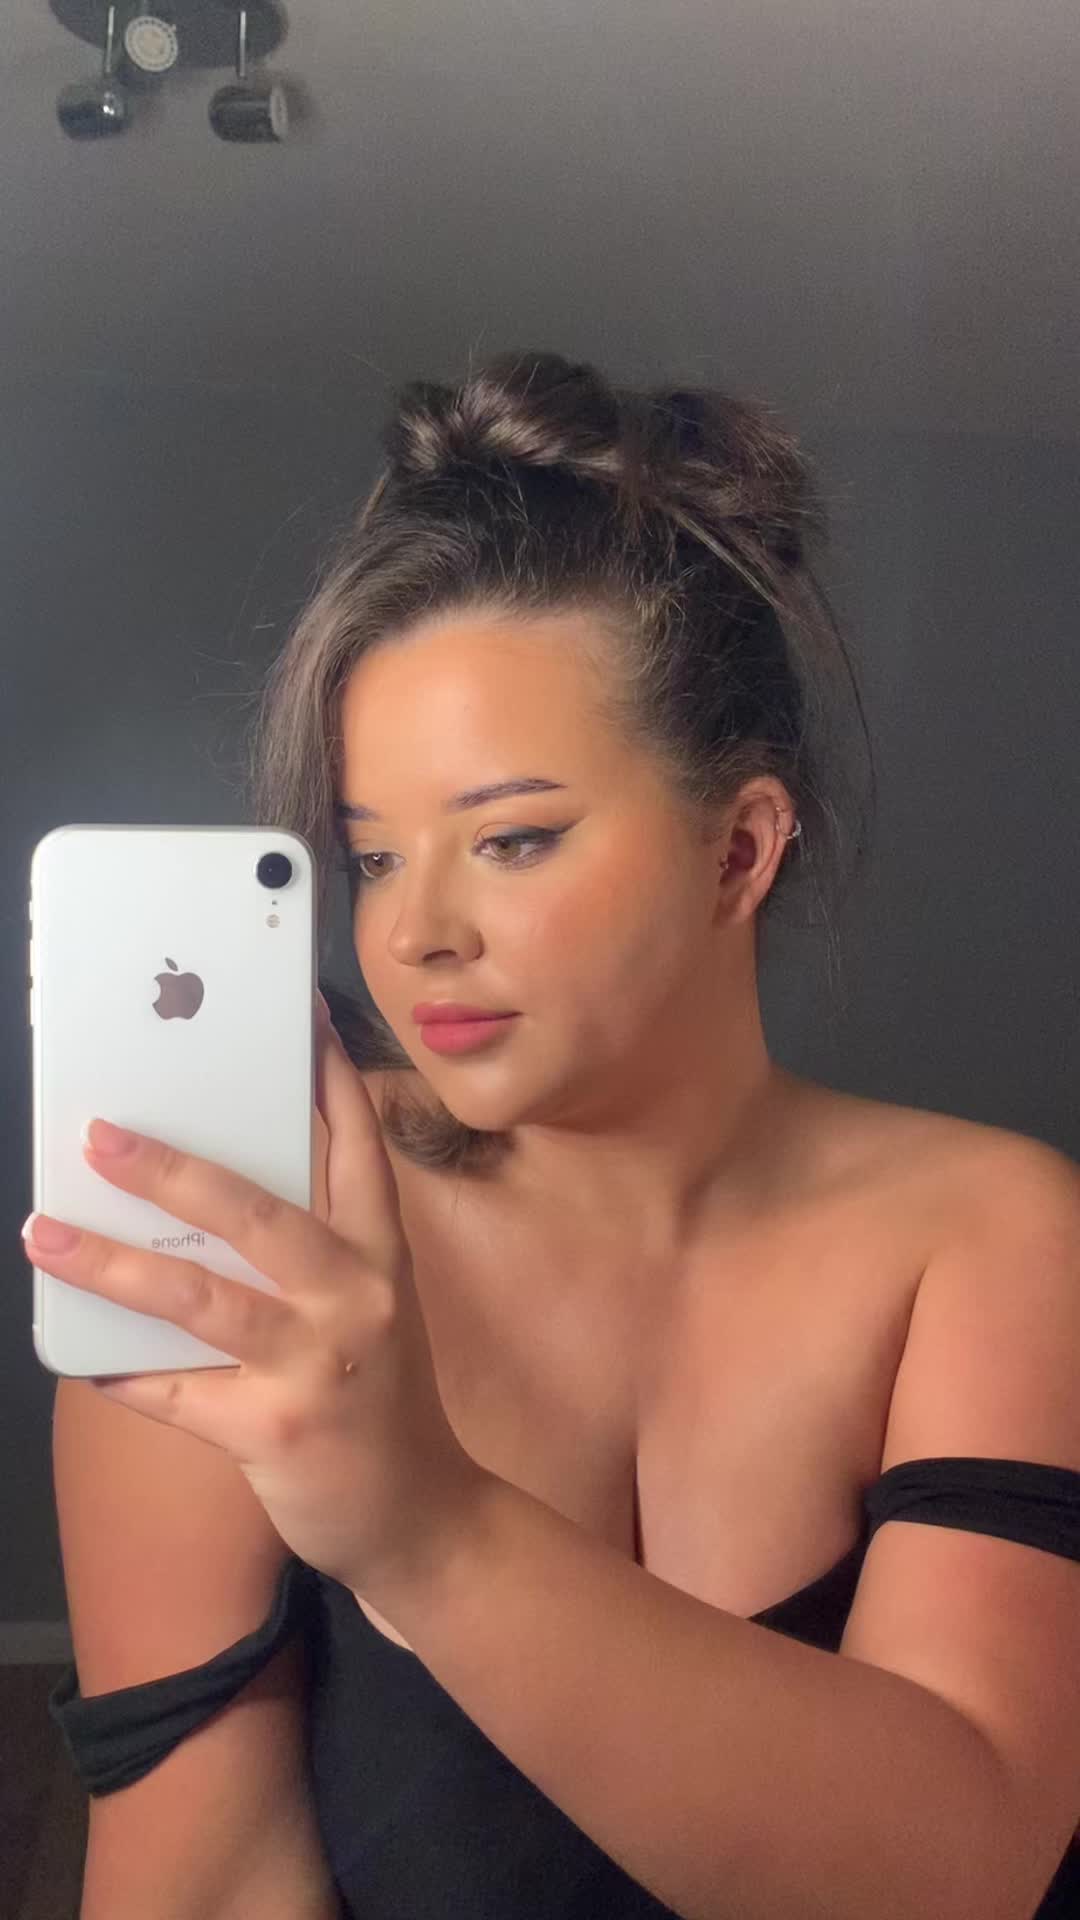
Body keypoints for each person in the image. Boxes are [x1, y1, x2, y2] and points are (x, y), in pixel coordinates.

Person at [49, 349, 1080, 1918]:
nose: (414, 934)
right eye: (373, 858)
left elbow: (964, 1866)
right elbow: (205, 1877)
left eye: (513, 839)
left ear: (738, 850)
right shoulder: (243, 1249)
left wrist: (421, 1525)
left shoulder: (992, 1230)